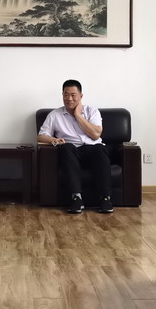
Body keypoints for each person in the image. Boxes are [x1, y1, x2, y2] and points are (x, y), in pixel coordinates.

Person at [38, 79, 113, 214]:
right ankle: (76, 198)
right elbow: (41, 136)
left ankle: (105, 198)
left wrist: (78, 115)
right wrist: (54, 139)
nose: (69, 99)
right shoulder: (55, 115)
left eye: (73, 95)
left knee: (100, 149)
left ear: (81, 96)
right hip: (71, 153)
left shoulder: (92, 111)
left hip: (93, 150)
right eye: (66, 95)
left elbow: (96, 134)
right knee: (67, 147)